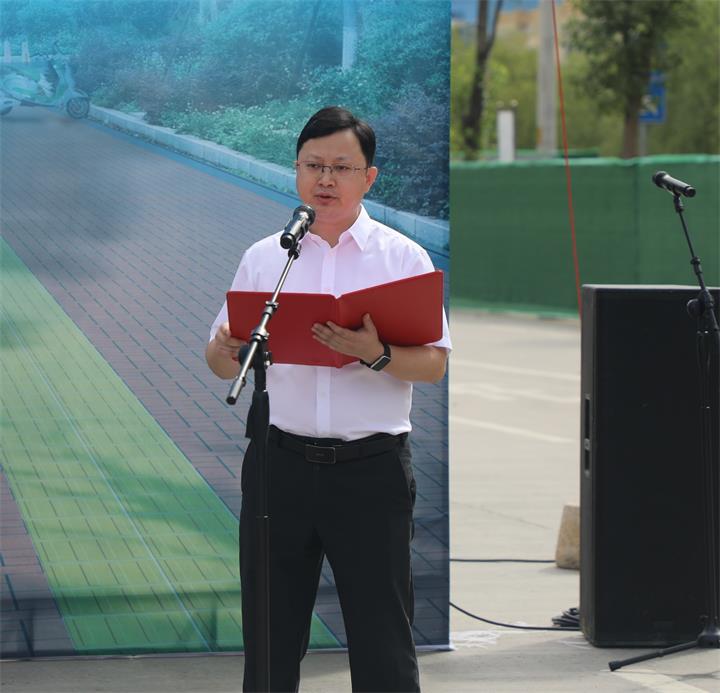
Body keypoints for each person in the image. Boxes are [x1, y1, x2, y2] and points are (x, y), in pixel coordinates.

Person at [206, 106, 451, 692]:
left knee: (382, 636)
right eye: (313, 165)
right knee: (270, 632)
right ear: (296, 171)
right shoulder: (267, 257)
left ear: (369, 177)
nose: (326, 179)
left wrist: (376, 352)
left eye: (342, 167)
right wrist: (226, 348)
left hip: (371, 470)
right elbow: (218, 361)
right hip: (279, 467)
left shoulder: (402, 258)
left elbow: (434, 365)